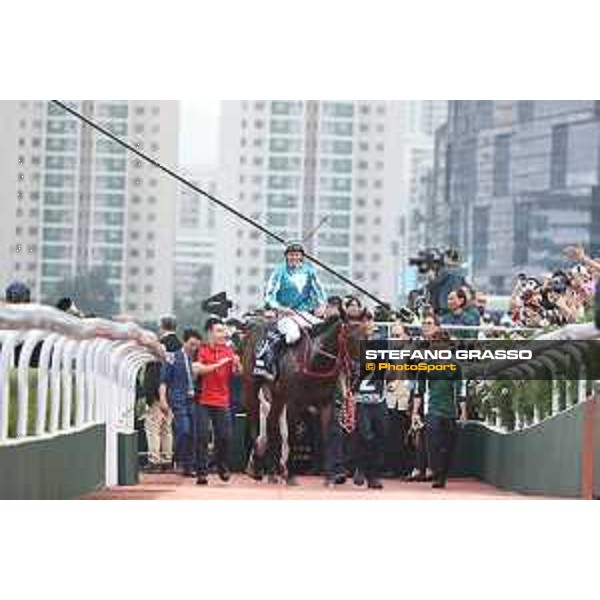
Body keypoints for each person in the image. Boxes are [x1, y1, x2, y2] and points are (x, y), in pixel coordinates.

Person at [253, 242, 327, 381]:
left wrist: (321, 304)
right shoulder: (279, 271)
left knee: (324, 331)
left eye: (297, 255)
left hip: (304, 313)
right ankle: (272, 364)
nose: (294, 257)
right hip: (284, 314)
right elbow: (269, 294)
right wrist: (279, 308)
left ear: (302, 257)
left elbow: (319, 290)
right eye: (291, 255)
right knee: (292, 335)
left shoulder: (309, 271)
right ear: (286, 256)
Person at [412, 333, 468, 489]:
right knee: (432, 441)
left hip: (450, 411)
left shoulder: (455, 365)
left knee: (449, 445)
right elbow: (419, 390)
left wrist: (463, 411)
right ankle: (436, 473)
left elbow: (461, 388)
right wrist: (415, 412)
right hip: (432, 410)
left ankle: (443, 474)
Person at [193, 318, 242, 485]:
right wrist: (216, 365)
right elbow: (197, 369)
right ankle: (202, 472)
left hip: (222, 400)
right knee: (202, 436)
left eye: (224, 331)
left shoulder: (229, 351)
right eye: (219, 331)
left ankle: (222, 465)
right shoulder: (201, 350)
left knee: (225, 437)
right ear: (209, 333)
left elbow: (237, 373)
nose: (223, 334)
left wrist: (237, 365)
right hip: (203, 400)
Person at [159, 328, 202, 477]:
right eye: (191, 344)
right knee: (184, 430)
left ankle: (188, 467)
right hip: (178, 400)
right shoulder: (172, 357)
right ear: (184, 342)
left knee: (193, 435)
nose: (194, 348)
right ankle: (176, 458)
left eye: (196, 345)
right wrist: (163, 400)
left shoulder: (194, 359)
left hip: (193, 400)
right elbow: (163, 382)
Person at [352, 312, 387, 490]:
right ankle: (363, 470)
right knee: (365, 435)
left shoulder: (381, 344)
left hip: (379, 399)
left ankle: (373, 474)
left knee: (380, 436)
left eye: (370, 320)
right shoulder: (355, 345)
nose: (368, 324)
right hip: (361, 400)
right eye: (365, 321)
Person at [143, 315, 182, 472]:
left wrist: (150, 395)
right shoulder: (180, 345)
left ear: (162, 327)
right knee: (167, 428)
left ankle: (154, 460)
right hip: (175, 393)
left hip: (159, 393)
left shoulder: (158, 346)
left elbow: (153, 372)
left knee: (153, 426)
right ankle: (167, 459)